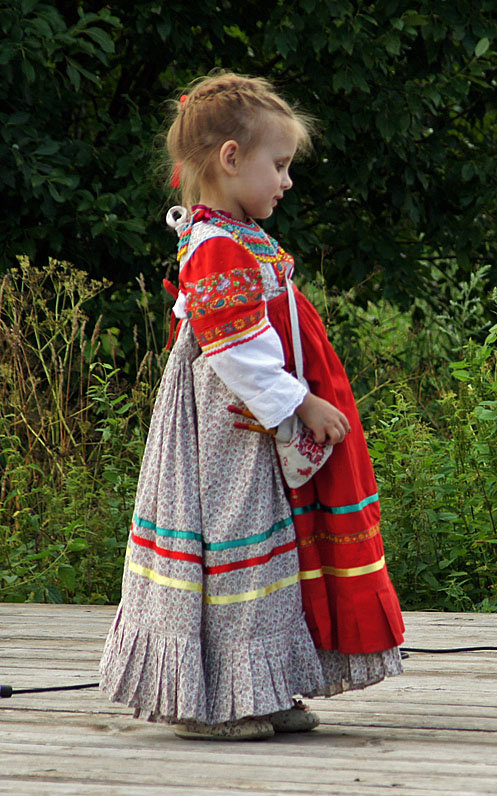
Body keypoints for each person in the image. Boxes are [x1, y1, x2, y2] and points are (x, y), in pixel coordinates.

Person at [99, 72, 405, 740]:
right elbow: (233, 346)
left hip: (248, 422)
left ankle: (258, 689)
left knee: (269, 551)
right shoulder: (214, 245)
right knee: (234, 548)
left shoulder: (234, 234)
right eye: (280, 165)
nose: (287, 181)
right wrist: (300, 404)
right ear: (231, 159)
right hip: (229, 426)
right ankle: (211, 703)